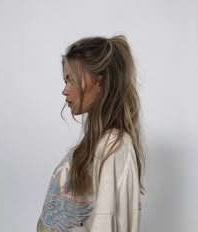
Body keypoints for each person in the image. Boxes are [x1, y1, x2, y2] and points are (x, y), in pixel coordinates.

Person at [37, 34, 145, 232]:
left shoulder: (115, 147)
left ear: (101, 81)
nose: (65, 90)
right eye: (65, 81)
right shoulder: (97, 144)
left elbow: (107, 223)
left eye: (72, 80)